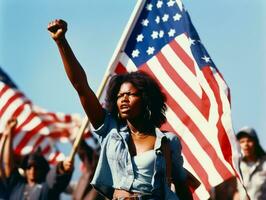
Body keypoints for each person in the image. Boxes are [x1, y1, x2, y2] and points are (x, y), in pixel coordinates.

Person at [47, 19, 192, 200]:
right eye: (119, 96)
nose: (123, 99)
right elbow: (81, 86)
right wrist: (61, 42)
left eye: (130, 95)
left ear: (146, 99)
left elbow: (181, 185)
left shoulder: (168, 141)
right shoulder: (110, 130)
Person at [0, 118, 74, 200]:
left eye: (37, 167)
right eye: (29, 167)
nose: (32, 170)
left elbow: (55, 177)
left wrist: (62, 168)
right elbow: (7, 164)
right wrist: (9, 133)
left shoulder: (47, 186)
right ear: (25, 169)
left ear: (43, 169)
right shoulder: (16, 186)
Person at [233, 127, 266, 200]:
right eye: (242, 141)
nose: (246, 144)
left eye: (249, 141)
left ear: (255, 143)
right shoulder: (237, 166)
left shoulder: (264, 164)